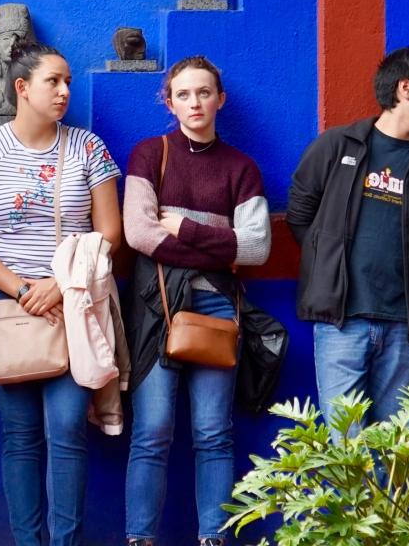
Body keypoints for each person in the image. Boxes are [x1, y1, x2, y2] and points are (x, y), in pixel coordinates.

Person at [0, 42, 122, 546]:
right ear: (22, 88)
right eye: (54, 81)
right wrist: (23, 288)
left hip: (73, 302)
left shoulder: (89, 148)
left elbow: (109, 233)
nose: (65, 91)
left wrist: (57, 286)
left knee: (68, 428)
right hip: (6, 307)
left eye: (68, 81)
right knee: (20, 436)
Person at [122, 56, 271, 546]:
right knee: (153, 430)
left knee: (213, 432)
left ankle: (213, 537)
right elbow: (139, 233)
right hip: (157, 310)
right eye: (183, 94)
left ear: (220, 99)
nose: (195, 103)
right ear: (169, 101)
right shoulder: (150, 154)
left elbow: (257, 247)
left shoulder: (241, 168)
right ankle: (140, 539)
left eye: (204, 93)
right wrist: (217, 243)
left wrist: (183, 227)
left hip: (217, 311)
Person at [287, 47, 409, 425]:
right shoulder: (337, 146)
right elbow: (300, 216)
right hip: (341, 321)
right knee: (346, 444)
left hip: (402, 325)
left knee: (394, 449)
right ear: (405, 89)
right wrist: (326, 266)